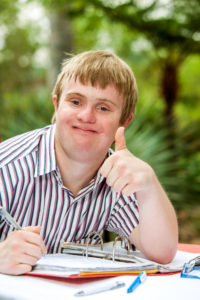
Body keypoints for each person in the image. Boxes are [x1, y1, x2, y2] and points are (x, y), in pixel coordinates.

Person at [0, 50, 178, 275]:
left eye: (103, 108)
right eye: (75, 102)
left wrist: (150, 184)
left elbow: (162, 252)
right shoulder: (6, 168)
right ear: (57, 105)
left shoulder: (119, 177)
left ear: (124, 121)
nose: (86, 116)